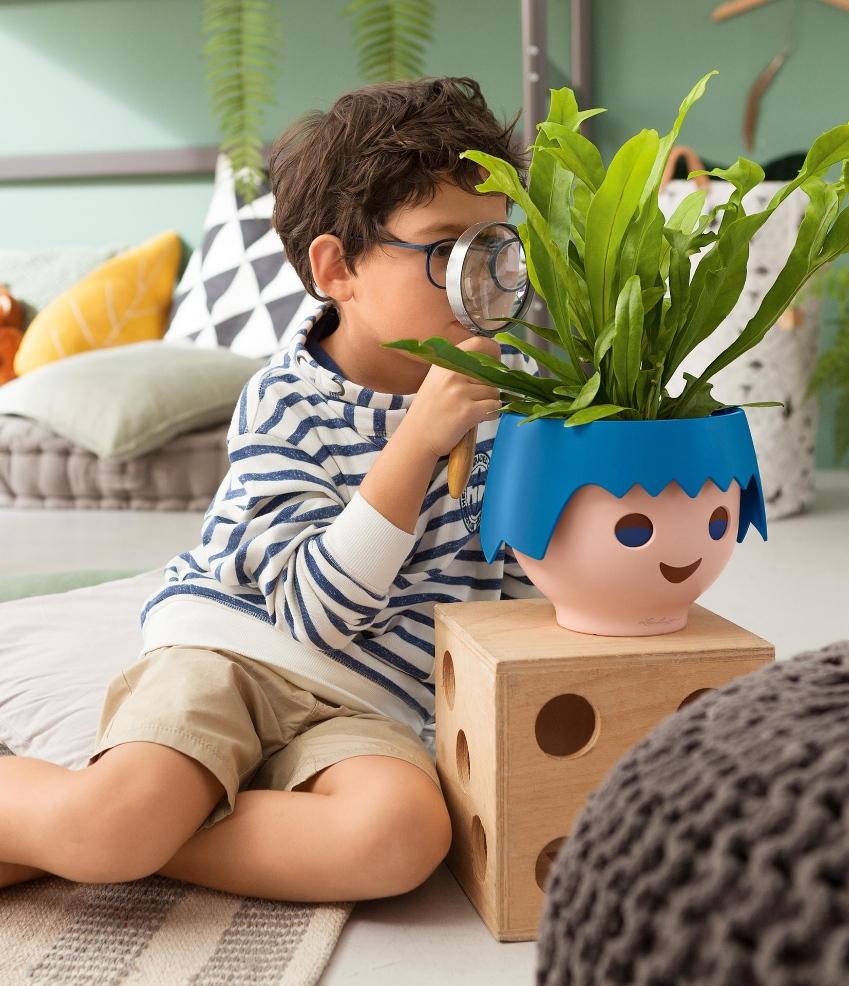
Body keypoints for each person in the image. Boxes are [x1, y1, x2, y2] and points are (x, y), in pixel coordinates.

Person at [0, 76, 543, 903]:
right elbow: (316, 612)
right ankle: (100, 829)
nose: (482, 281)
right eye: (444, 252)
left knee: (400, 839)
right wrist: (419, 440)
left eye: (496, 248)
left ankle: (86, 839)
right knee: (116, 820)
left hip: (374, 701)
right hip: (238, 651)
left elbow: (518, 591)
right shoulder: (285, 401)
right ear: (338, 270)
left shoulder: (511, 399)